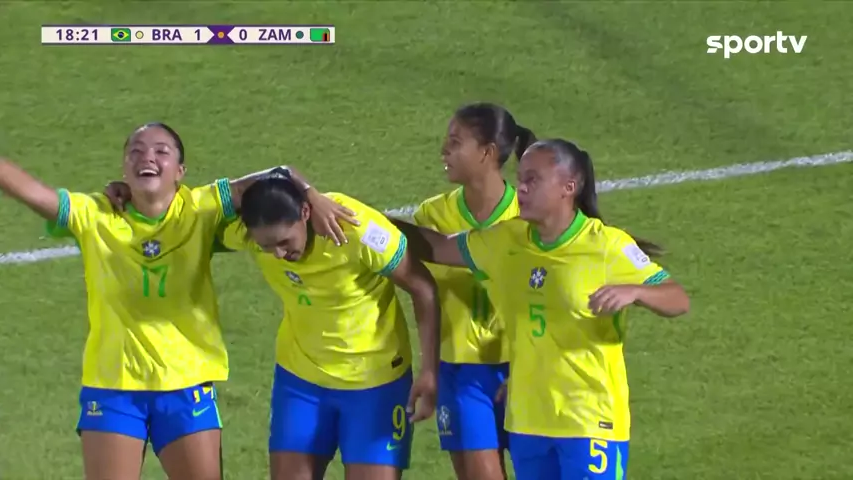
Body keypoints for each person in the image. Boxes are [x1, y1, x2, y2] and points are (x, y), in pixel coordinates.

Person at [0, 122, 352, 480]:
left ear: (180, 171)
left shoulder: (202, 208)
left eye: (161, 151)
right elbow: (32, 193)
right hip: (114, 388)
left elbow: (277, 175)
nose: (147, 157)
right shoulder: (93, 214)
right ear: (124, 168)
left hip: (187, 384)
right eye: (136, 152)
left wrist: (312, 196)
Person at [392, 139, 690, 480]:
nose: (521, 188)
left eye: (533, 180)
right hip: (528, 422)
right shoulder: (506, 240)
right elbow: (437, 247)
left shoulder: (607, 246)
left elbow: (677, 299)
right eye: (521, 178)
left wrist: (635, 290)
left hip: (589, 421)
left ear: (568, 187)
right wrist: (367, 220)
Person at [217, 173, 441, 480]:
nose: (279, 254)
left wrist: (430, 370)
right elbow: (185, 217)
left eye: (284, 242)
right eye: (267, 247)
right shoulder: (249, 232)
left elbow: (423, 288)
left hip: (375, 383)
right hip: (301, 381)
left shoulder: (355, 227)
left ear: (304, 213)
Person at [411, 103, 534, 480]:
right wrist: (429, 369)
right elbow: (423, 296)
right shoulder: (432, 216)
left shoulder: (529, 216)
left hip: (527, 368)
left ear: (487, 152)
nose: (443, 151)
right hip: (462, 371)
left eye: (455, 142)